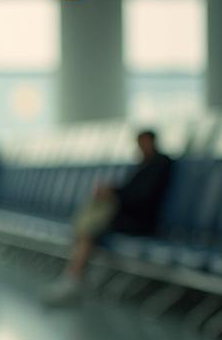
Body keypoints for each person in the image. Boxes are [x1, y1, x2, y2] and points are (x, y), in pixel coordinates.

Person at [42, 128, 173, 305]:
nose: (139, 147)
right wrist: (113, 191)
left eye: (141, 143)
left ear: (150, 142)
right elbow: (131, 191)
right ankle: (74, 276)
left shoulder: (159, 164)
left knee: (89, 231)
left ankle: (73, 279)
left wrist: (113, 194)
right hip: (131, 215)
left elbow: (141, 197)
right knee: (88, 226)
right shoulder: (146, 164)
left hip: (140, 221)